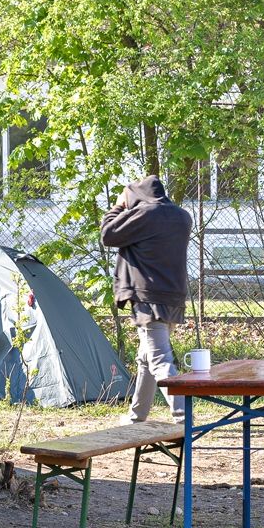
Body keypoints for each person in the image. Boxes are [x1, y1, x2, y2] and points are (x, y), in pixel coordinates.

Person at [100, 175, 192, 424]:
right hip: (173, 296)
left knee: (160, 359)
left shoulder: (145, 215)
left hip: (149, 299)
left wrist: (119, 206)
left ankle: (184, 418)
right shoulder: (182, 217)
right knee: (145, 357)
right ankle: (136, 416)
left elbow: (108, 235)